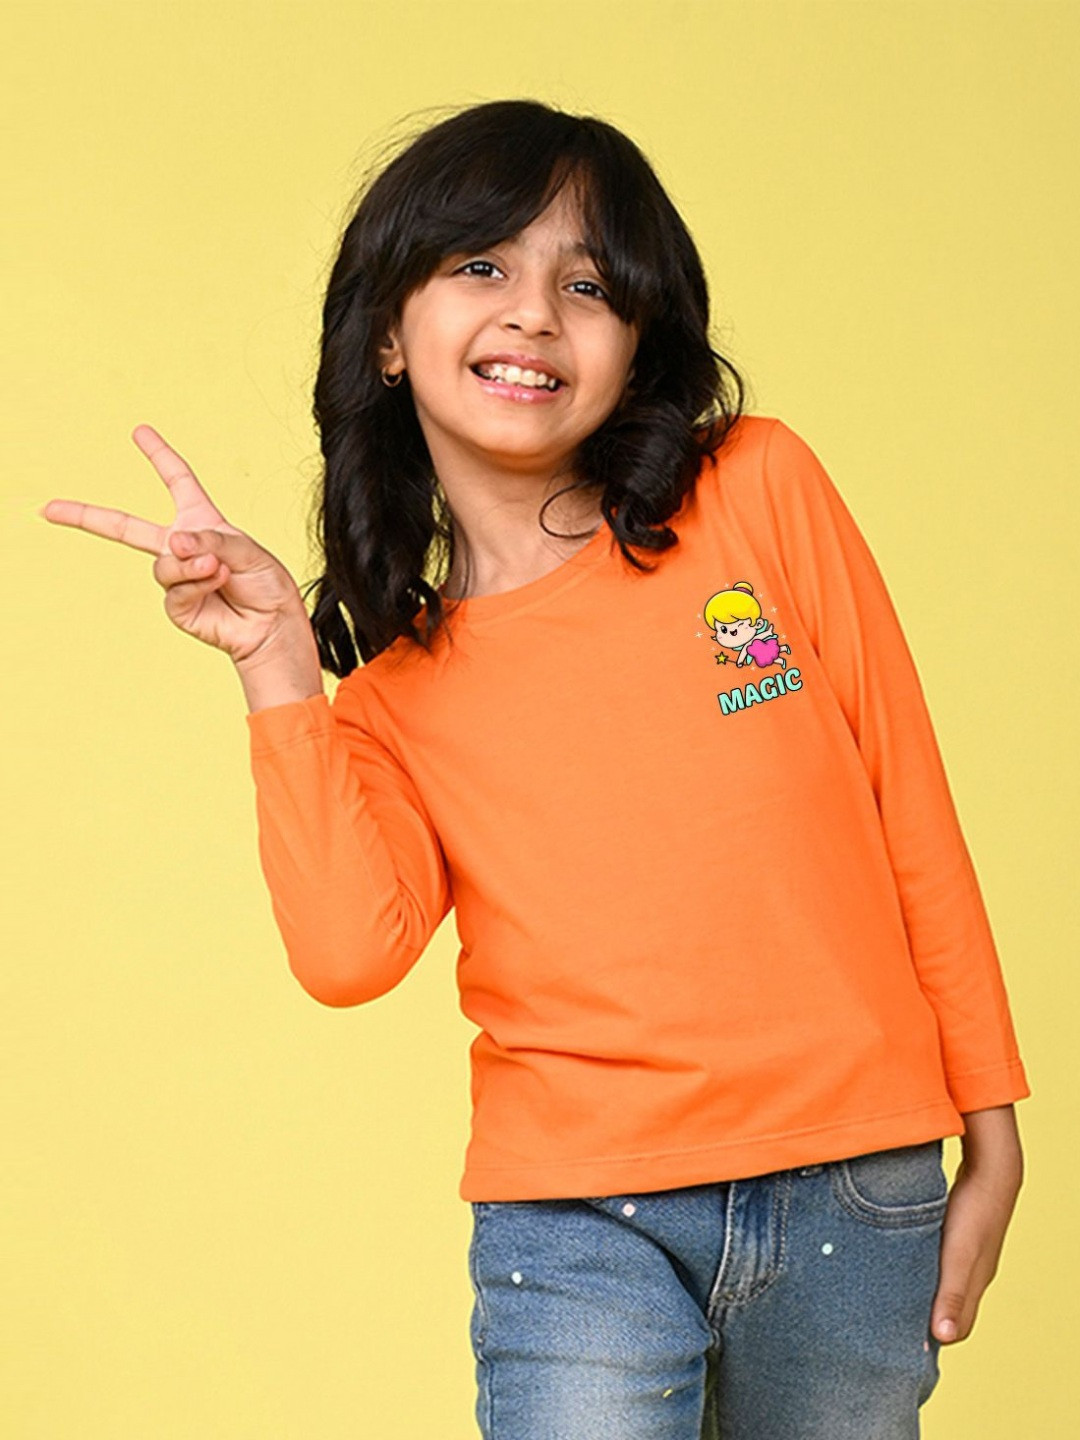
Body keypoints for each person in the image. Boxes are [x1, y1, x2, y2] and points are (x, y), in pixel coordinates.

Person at [40, 98, 1030, 1440]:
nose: (535, 314)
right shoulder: (391, 695)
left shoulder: (758, 491)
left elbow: (908, 805)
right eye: (481, 265)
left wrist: (993, 1123)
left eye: (590, 285)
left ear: (640, 340)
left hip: (856, 1187)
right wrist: (278, 666)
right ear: (388, 335)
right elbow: (347, 957)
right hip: (575, 1215)